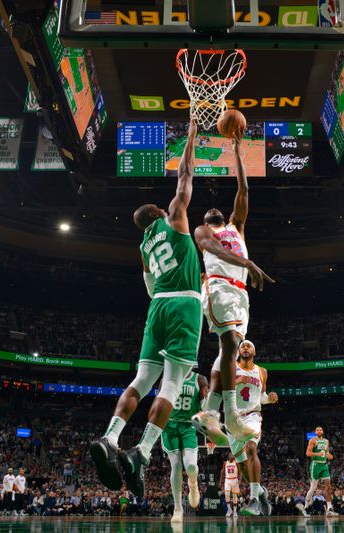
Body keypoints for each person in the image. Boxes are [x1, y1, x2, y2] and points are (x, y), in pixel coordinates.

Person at [90, 117, 203, 498]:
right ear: (159, 212)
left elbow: (149, 285)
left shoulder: (142, 247)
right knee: (171, 385)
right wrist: (190, 135)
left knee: (141, 383)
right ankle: (142, 451)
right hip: (184, 304)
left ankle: (110, 438)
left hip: (155, 308)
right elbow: (185, 174)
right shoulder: (175, 216)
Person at [192, 133, 273, 443]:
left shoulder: (236, 226)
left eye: (217, 212)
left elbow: (244, 189)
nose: (213, 211)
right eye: (208, 212)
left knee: (227, 354)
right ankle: (231, 416)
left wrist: (239, 151)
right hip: (219, 289)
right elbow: (215, 252)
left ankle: (208, 412)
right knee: (228, 348)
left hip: (240, 294)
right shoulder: (203, 231)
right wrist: (249, 264)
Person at [226, 340, 277, 517]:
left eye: (249, 346)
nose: (245, 348)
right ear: (239, 351)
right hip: (233, 419)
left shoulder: (262, 371)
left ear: (254, 352)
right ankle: (262, 494)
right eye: (243, 346)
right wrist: (237, 380)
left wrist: (269, 399)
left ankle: (254, 500)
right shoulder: (231, 367)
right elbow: (220, 388)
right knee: (245, 472)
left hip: (252, 416)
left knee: (251, 448)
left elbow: (260, 396)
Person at [161, 369, 207, 523]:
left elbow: (204, 405)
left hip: (188, 427)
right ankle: (178, 509)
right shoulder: (167, 377)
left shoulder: (199, 379)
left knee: (191, 466)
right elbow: (161, 402)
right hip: (170, 426)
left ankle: (193, 484)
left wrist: (206, 410)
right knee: (176, 466)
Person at [298, 426, 338, 517]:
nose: (319, 431)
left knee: (328, 486)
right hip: (315, 465)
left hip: (324, 465)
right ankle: (306, 506)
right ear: (315, 432)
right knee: (313, 487)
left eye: (320, 429)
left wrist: (329, 456)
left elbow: (327, 453)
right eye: (317, 430)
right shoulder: (312, 440)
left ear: (322, 431)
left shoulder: (326, 441)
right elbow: (308, 453)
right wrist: (317, 454)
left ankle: (329, 508)